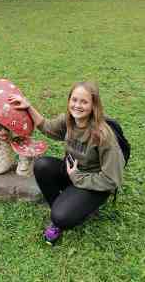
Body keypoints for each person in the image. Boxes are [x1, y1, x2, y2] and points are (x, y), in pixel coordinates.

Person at [9, 81, 125, 245]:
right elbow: (47, 127)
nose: (77, 105)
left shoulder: (103, 135)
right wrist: (28, 106)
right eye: (74, 100)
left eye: (84, 102)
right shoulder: (68, 121)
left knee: (60, 216)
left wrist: (78, 178)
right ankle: (70, 206)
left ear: (94, 105)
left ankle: (67, 214)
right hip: (72, 173)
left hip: (95, 184)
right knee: (42, 165)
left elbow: (112, 180)